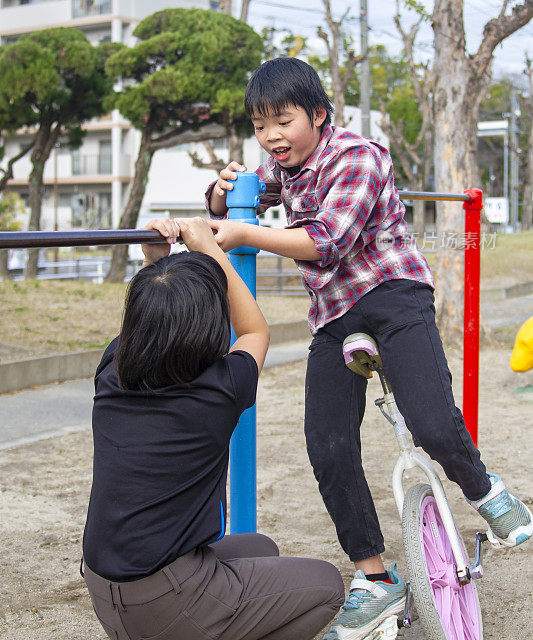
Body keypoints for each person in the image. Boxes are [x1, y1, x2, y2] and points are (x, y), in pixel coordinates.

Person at [206, 57, 533, 640]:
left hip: (393, 294)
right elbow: (242, 204)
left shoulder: (358, 156)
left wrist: (244, 232)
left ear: (318, 115)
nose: (271, 137)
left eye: (283, 121)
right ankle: (375, 577)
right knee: (326, 444)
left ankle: (485, 489)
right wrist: (223, 193)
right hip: (334, 314)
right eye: (260, 125)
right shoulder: (285, 167)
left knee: (431, 421)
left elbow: (326, 243)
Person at [81, 215, 344, 640]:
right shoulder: (217, 392)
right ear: (206, 328)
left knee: (260, 549)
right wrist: (211, 249)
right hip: (163, 601)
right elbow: (254, 329)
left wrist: (156, 264)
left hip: (106, 586)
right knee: (328, 586)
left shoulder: (112, 372)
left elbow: (150, 322)